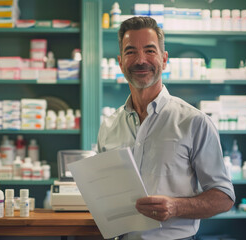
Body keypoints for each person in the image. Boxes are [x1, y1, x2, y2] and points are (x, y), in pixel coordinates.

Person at [97, 16, 235, 240]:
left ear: (164, 59)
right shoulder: (109, 126)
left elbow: (225, 197)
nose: (141, 60)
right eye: (131, 51)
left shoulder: (193, 121)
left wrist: (176, 207)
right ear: (121, 62)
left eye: (150, 50)